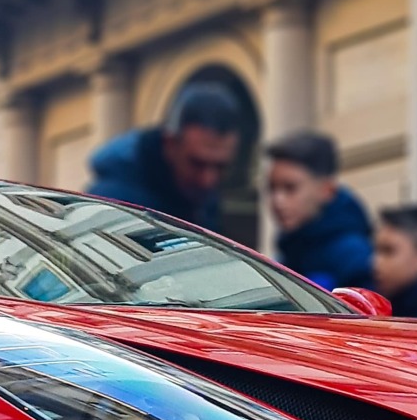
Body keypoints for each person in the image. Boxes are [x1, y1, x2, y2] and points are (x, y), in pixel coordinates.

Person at [87, 84, 242, 229]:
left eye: (221, 167)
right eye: (196, 164)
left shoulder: (199, 199)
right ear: (170, 144)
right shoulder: (115, 202)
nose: (208, 180)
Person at [263, 131, 375, 290]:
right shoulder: (289, 249)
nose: (277, 200)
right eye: (272, 188)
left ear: (326, 190)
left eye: (290, 188)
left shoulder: (354, 256)